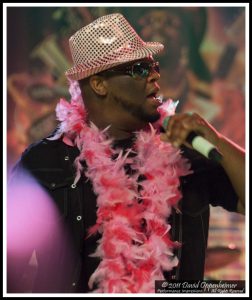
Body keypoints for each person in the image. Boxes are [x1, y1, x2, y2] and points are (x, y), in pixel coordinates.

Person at [8, 13, 245, 293]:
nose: (155, 74)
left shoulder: (185, 152)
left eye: (153, 66)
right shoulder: (43, 164)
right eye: (139, 69)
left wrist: (215, 139)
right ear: (99, 84)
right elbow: (12, 272)